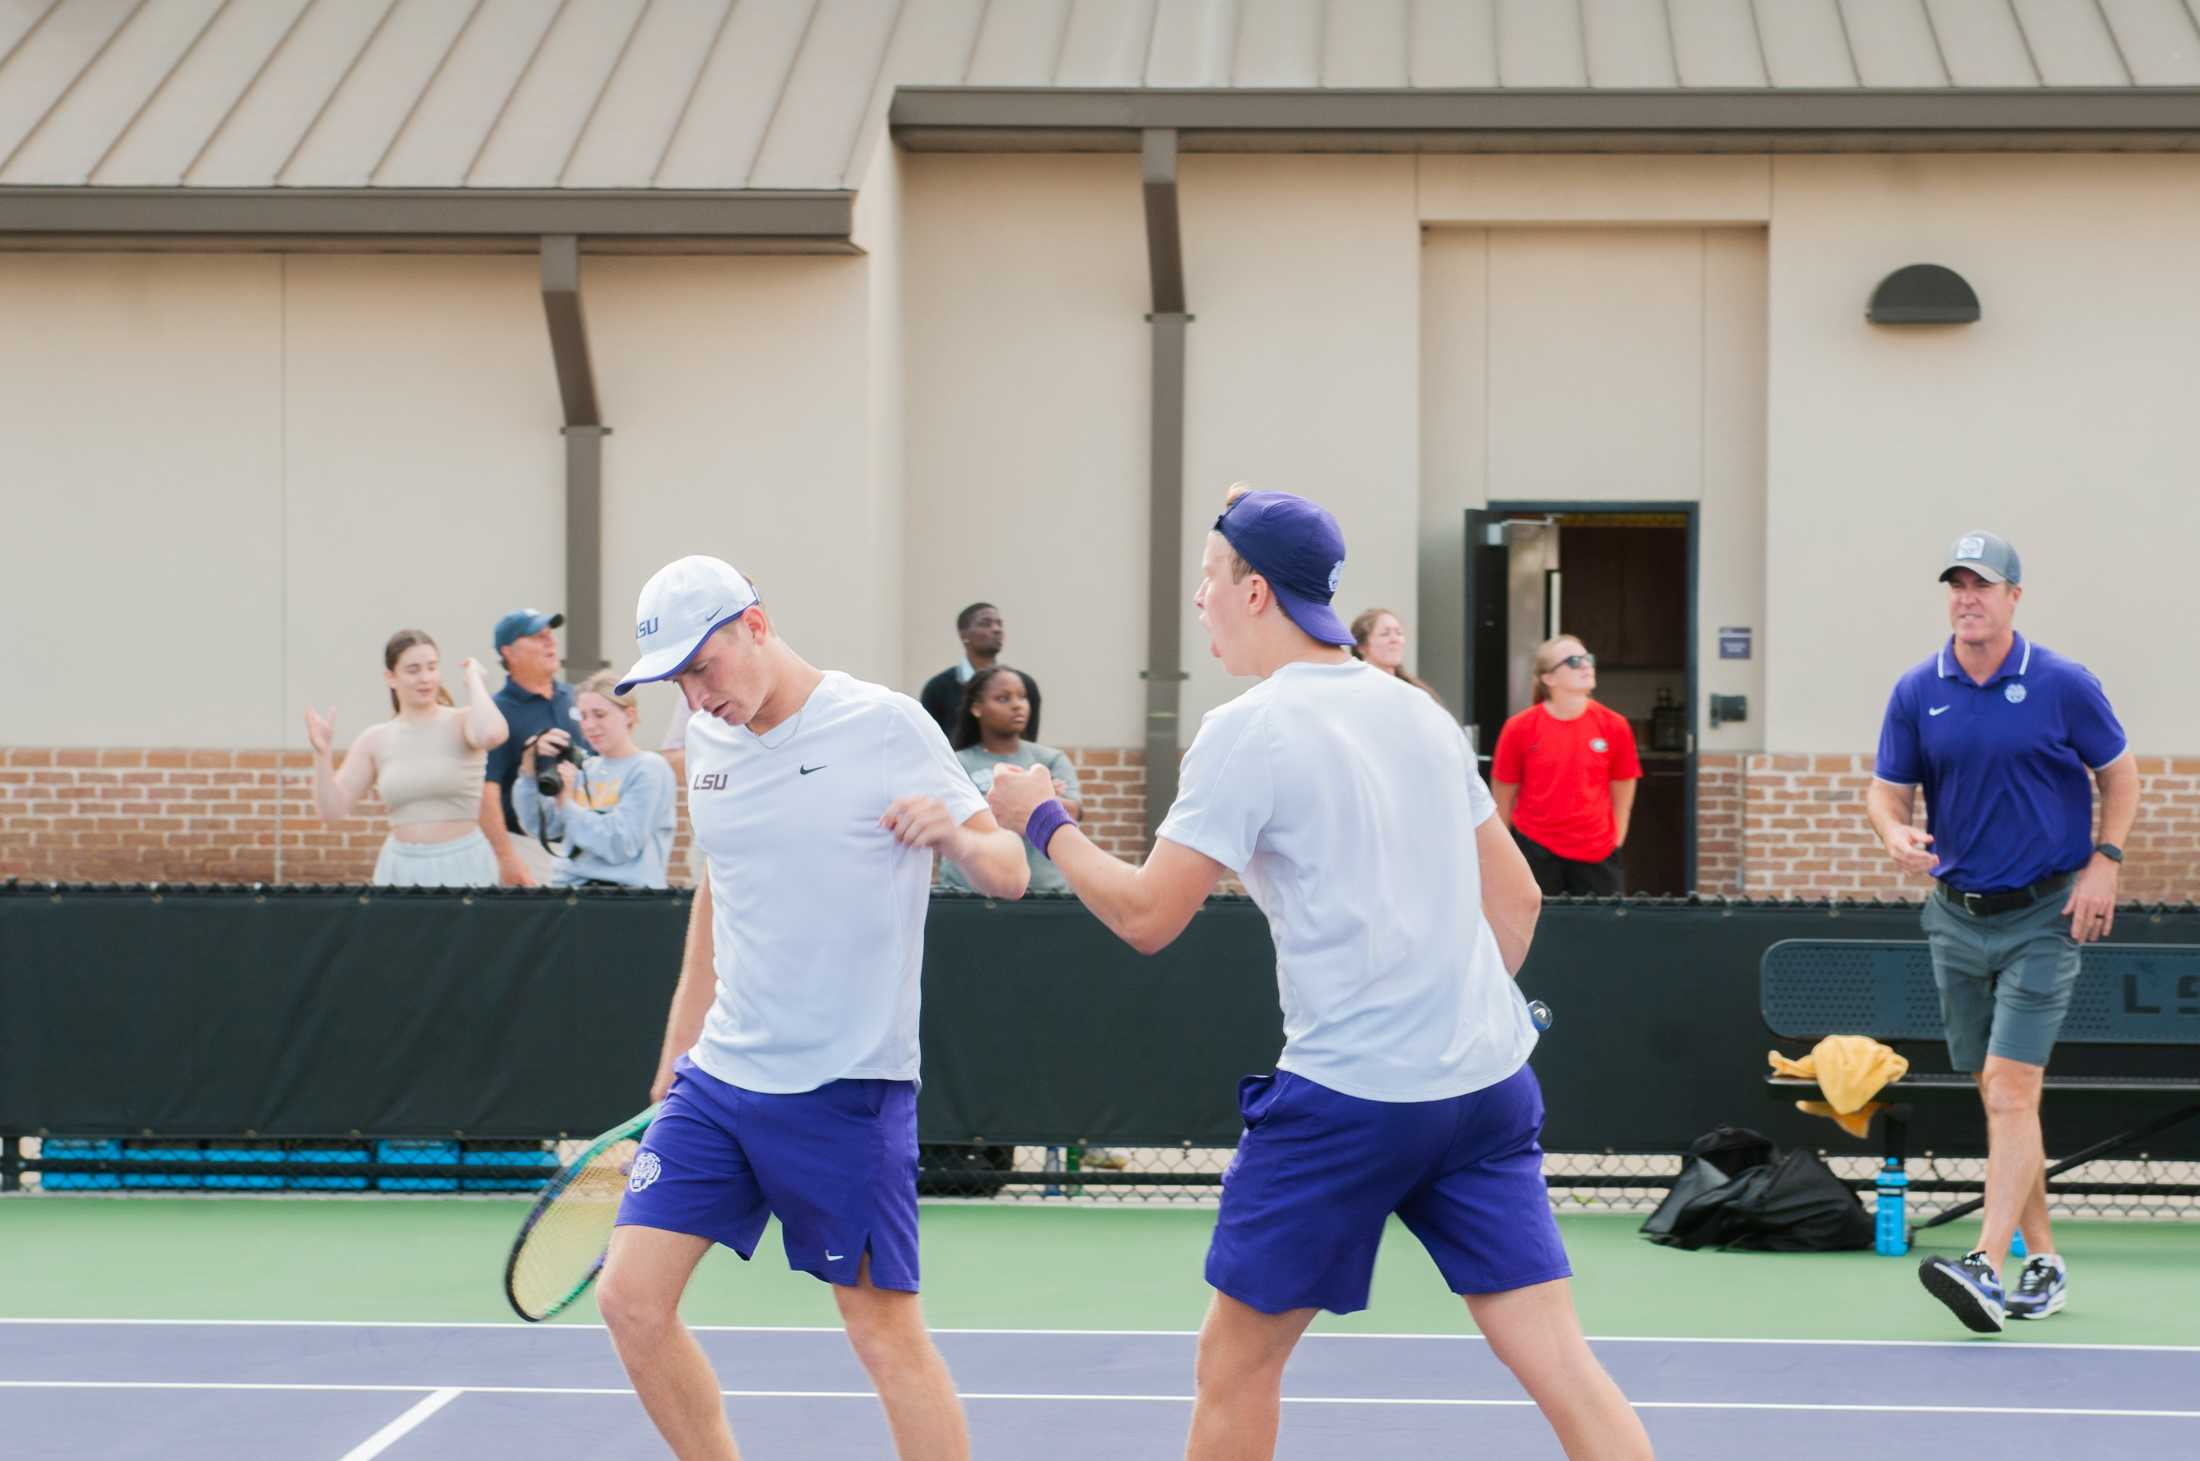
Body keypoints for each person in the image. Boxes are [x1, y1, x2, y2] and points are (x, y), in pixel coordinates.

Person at [985, 487, 1653, 1461]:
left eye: (1210, 577)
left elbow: (1145, 916)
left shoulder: (1246, 730)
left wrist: (1042, 818)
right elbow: (1517, 903)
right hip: (1487, 1090)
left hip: (1349, 1103)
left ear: (1254, 591)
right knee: (1560, 1364)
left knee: (1235, 1366)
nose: (1201, 598)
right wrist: (1445, 1015)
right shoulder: (1419, 715)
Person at [595, 554, 1029, 1461]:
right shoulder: (706, 736)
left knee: (882, 1335)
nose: (696, 693)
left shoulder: (883, 725)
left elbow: (1010, 871)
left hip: (846, 1089)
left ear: (756, 624)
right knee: (630, 1298)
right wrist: (674, 1060)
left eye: (702, 666)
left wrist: (953, 828)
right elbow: (720, 896)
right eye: (677, 678)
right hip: (720, 1082)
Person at [1866, 531, 2136, 1334]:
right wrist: (1893, 833)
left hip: (2045, 917)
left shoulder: (2061, 683)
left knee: (2013, 1089)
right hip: (1955, 918)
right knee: (2001, 1093)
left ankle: (1984, 1262)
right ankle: (2044, 1260)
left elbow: (2120, 774)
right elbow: (1886, 793)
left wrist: (2106, 861)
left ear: (2015, 596)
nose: (1967, 598)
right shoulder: (1920, 689)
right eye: (1956, 585)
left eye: (1982, 585)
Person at [304, 629, 508, 888]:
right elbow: (331, 809)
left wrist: (475, 680)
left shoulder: (462, 721)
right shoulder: (376, 738)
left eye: (432, 668)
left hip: (464, 863)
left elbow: (493, 734)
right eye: (413, 670)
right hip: (401, 868)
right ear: (391, 677)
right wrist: (322, 754)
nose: (425, 678)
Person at [1489, 636, 1642, 897]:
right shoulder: (1519, 728)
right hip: (1535, 849)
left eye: (1588, 659)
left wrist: (1615, 840)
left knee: (1600, 933)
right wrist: (1501, 857)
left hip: (1598, 852)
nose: (1586, 666)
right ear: (1549, 678)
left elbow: (1624, 788)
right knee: (1541, 933)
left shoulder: (1615, 725)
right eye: (1574, 661)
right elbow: (1503, 797)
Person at [512, 671, 678, 889]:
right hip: (569, 891)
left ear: (629, 715)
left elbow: (621, 844)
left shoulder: (649, 768)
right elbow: (541, 827)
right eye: (583, 716)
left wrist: (567, 805)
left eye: (599, 714)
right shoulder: (583, 768)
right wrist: (528, 771)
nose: (589, 725)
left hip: (626, 896)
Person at [939, 665, 1081, 896]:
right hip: (966, 893)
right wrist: (1041, 799)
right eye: (1003, 698)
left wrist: (1027, 802)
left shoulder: (1050, 759)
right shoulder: (955, 763)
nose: (1018, 705)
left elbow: (1072, 813)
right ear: (976, 708)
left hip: (1045, 892)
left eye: (1022, 697)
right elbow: (952, 820)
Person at [479, 608, 595, 888]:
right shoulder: (497, 712)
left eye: (550, 635)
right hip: (531, 850)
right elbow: (486, 791)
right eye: (537, 636)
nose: (550, 642)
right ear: (509, 652)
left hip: (588, 844)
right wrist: (506, 858)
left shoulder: (576, 697)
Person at [918, 602, 1042, 744]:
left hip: (1013, 765)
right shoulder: (937, 688)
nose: (997, 629)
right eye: (985, 624)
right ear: (963, 634)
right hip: (955, 765)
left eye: (999, 624)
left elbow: (1029, 740)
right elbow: (931, 742)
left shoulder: (1025, 684)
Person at [1350, 607, 1442, 703]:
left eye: (1399, 633)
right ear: (1361, 647)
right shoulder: (1353, 691)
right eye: (1385, 634)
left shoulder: (1416, 693)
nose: (1395, 639)